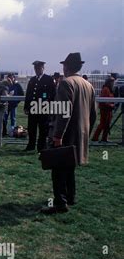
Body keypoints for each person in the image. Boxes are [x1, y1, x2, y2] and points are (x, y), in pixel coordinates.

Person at [42, 52, 96, 214]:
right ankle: (70, 197)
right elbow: (93, 115)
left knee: (58, 169)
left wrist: (58, 136)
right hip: (81, 134)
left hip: (66, 134)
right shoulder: (88, 85)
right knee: (70, 167)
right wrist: (87, 132)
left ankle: (60, 203)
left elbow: (63, 113)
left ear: (66, 67)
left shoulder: (66, 84)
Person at [24, 60, 56, 152]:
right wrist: (26, 106)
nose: (37, 70)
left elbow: (53, 93)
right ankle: (31, 145)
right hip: (33, 108)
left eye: (38, 68)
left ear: (43, 68)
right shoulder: (32, 80)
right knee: (31, 128)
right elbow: (29, 94)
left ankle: (41, 147)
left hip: (43, 108)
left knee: (43, 129)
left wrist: (49, 104)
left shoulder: (48, 79)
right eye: (35, 68)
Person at [92, 77, 115, 142]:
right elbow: (104, 100)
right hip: (105, 109)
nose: (113, 83)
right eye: (112, 82)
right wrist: (111, 105)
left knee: (107, 124)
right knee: (102, 124)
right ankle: (95, 138)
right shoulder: (106, 89)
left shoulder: (109, 89)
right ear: (109, 82)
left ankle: (104, 138)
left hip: (108, 109)